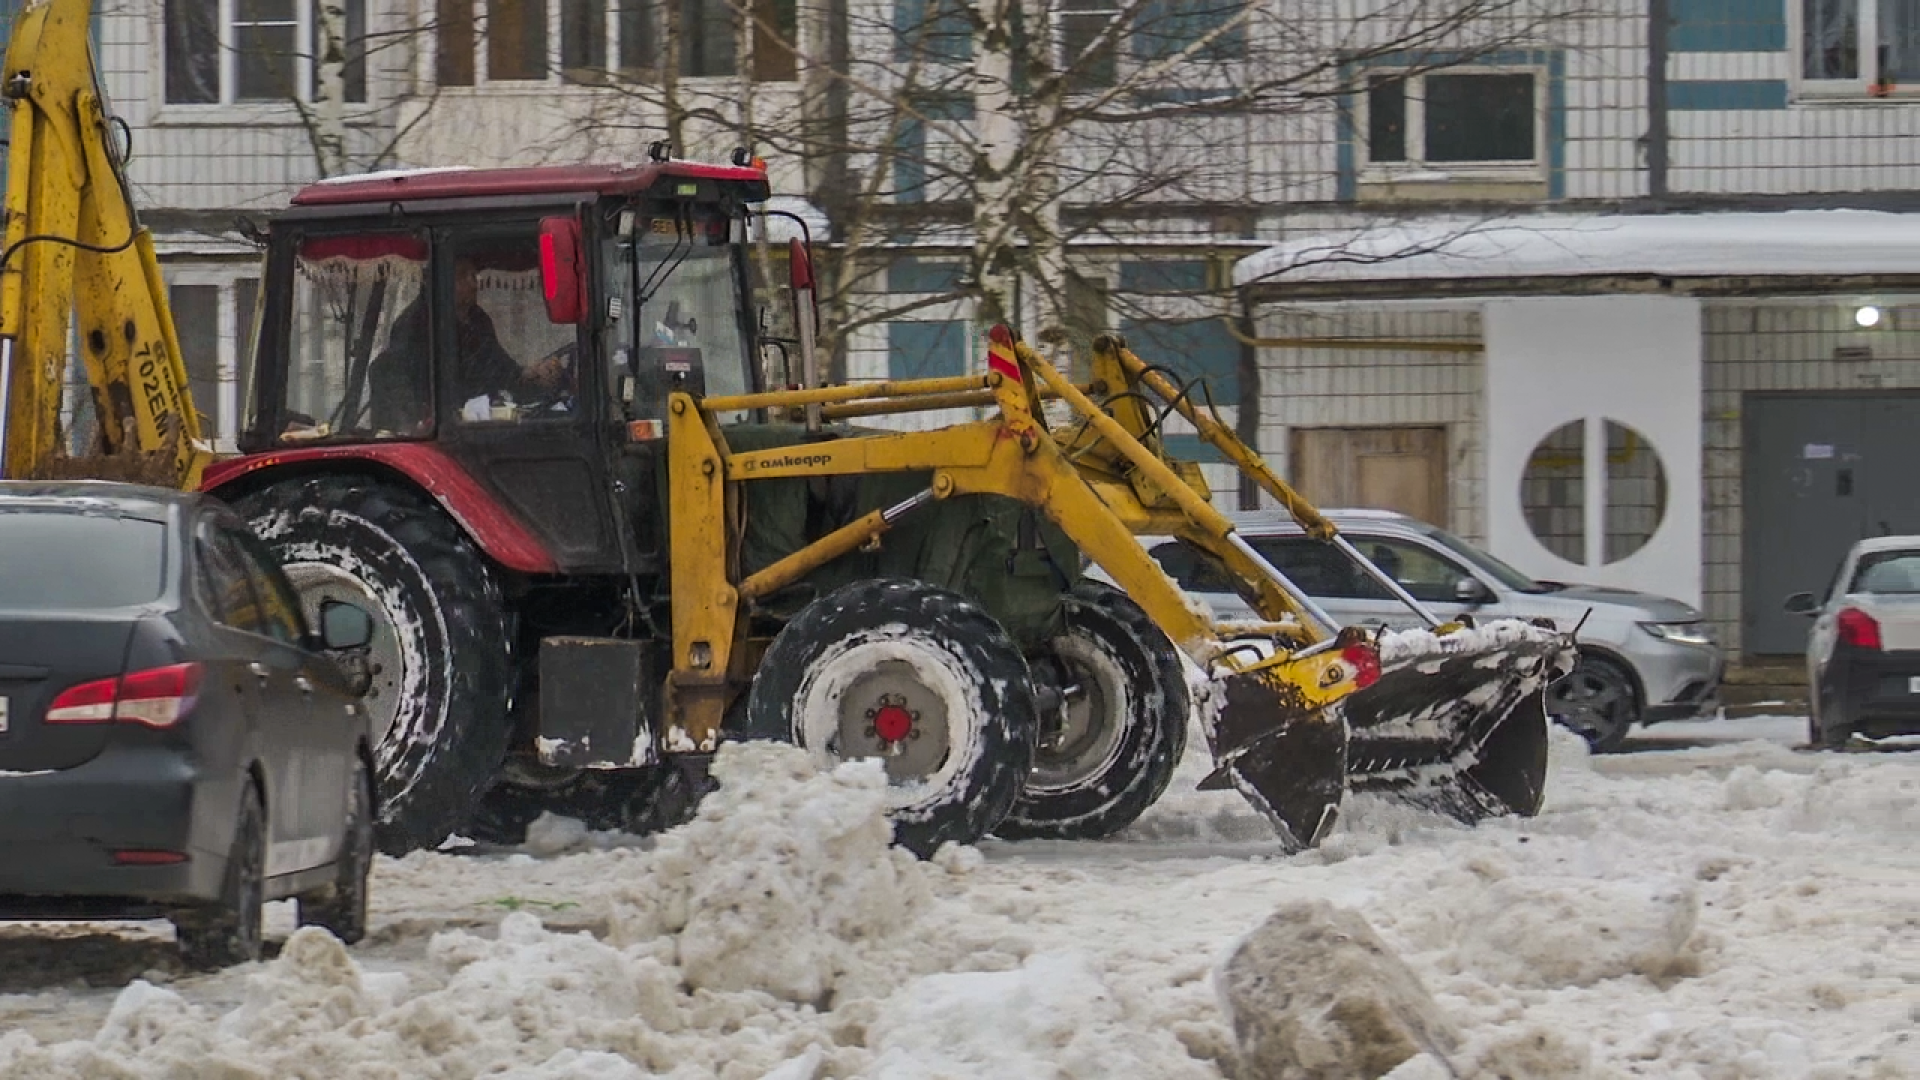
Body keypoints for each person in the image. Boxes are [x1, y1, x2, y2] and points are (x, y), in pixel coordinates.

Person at [370, 255, 568, 429]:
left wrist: (531, 374)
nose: (474, 284)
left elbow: (500, 368)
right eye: (463, 276)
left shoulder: (478, 319)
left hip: (479, 420)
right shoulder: (415, 324)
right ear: (440, 281)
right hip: (446, 429)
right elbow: (400, 388)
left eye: (474, 276)